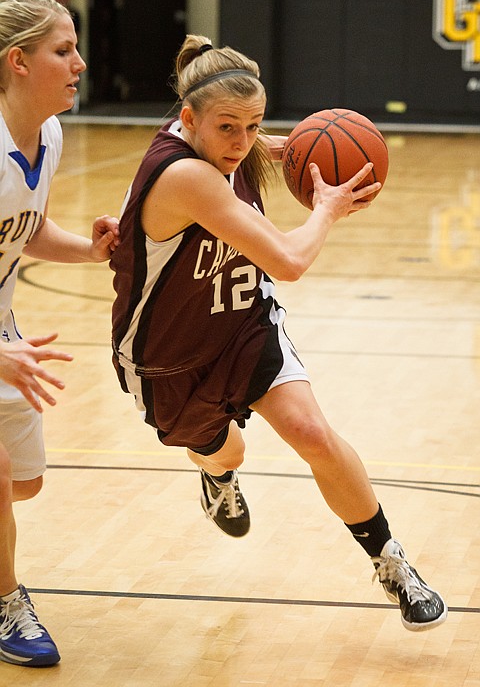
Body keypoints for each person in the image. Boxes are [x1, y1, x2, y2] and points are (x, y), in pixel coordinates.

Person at [110, 34, 447, 633]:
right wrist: (327, 207)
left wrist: (300, 146)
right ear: (188, 121)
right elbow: (288, 261)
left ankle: (393, 563)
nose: (243, 144)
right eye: (228, 129)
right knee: (224, 451)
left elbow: (255, 138)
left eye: (255, 126)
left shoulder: (222, 141)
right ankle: (217, 477)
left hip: (244, 325)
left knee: (312, 432)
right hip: (167, 355)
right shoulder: (187, 176)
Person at [0, 0, 119, 667]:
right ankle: (5, 604)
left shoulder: (48, 134)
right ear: (18, 61)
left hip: (4, 333)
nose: (79, 62)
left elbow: (24, 229)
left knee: (24, 486)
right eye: (62, 50)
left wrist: (90, 250)